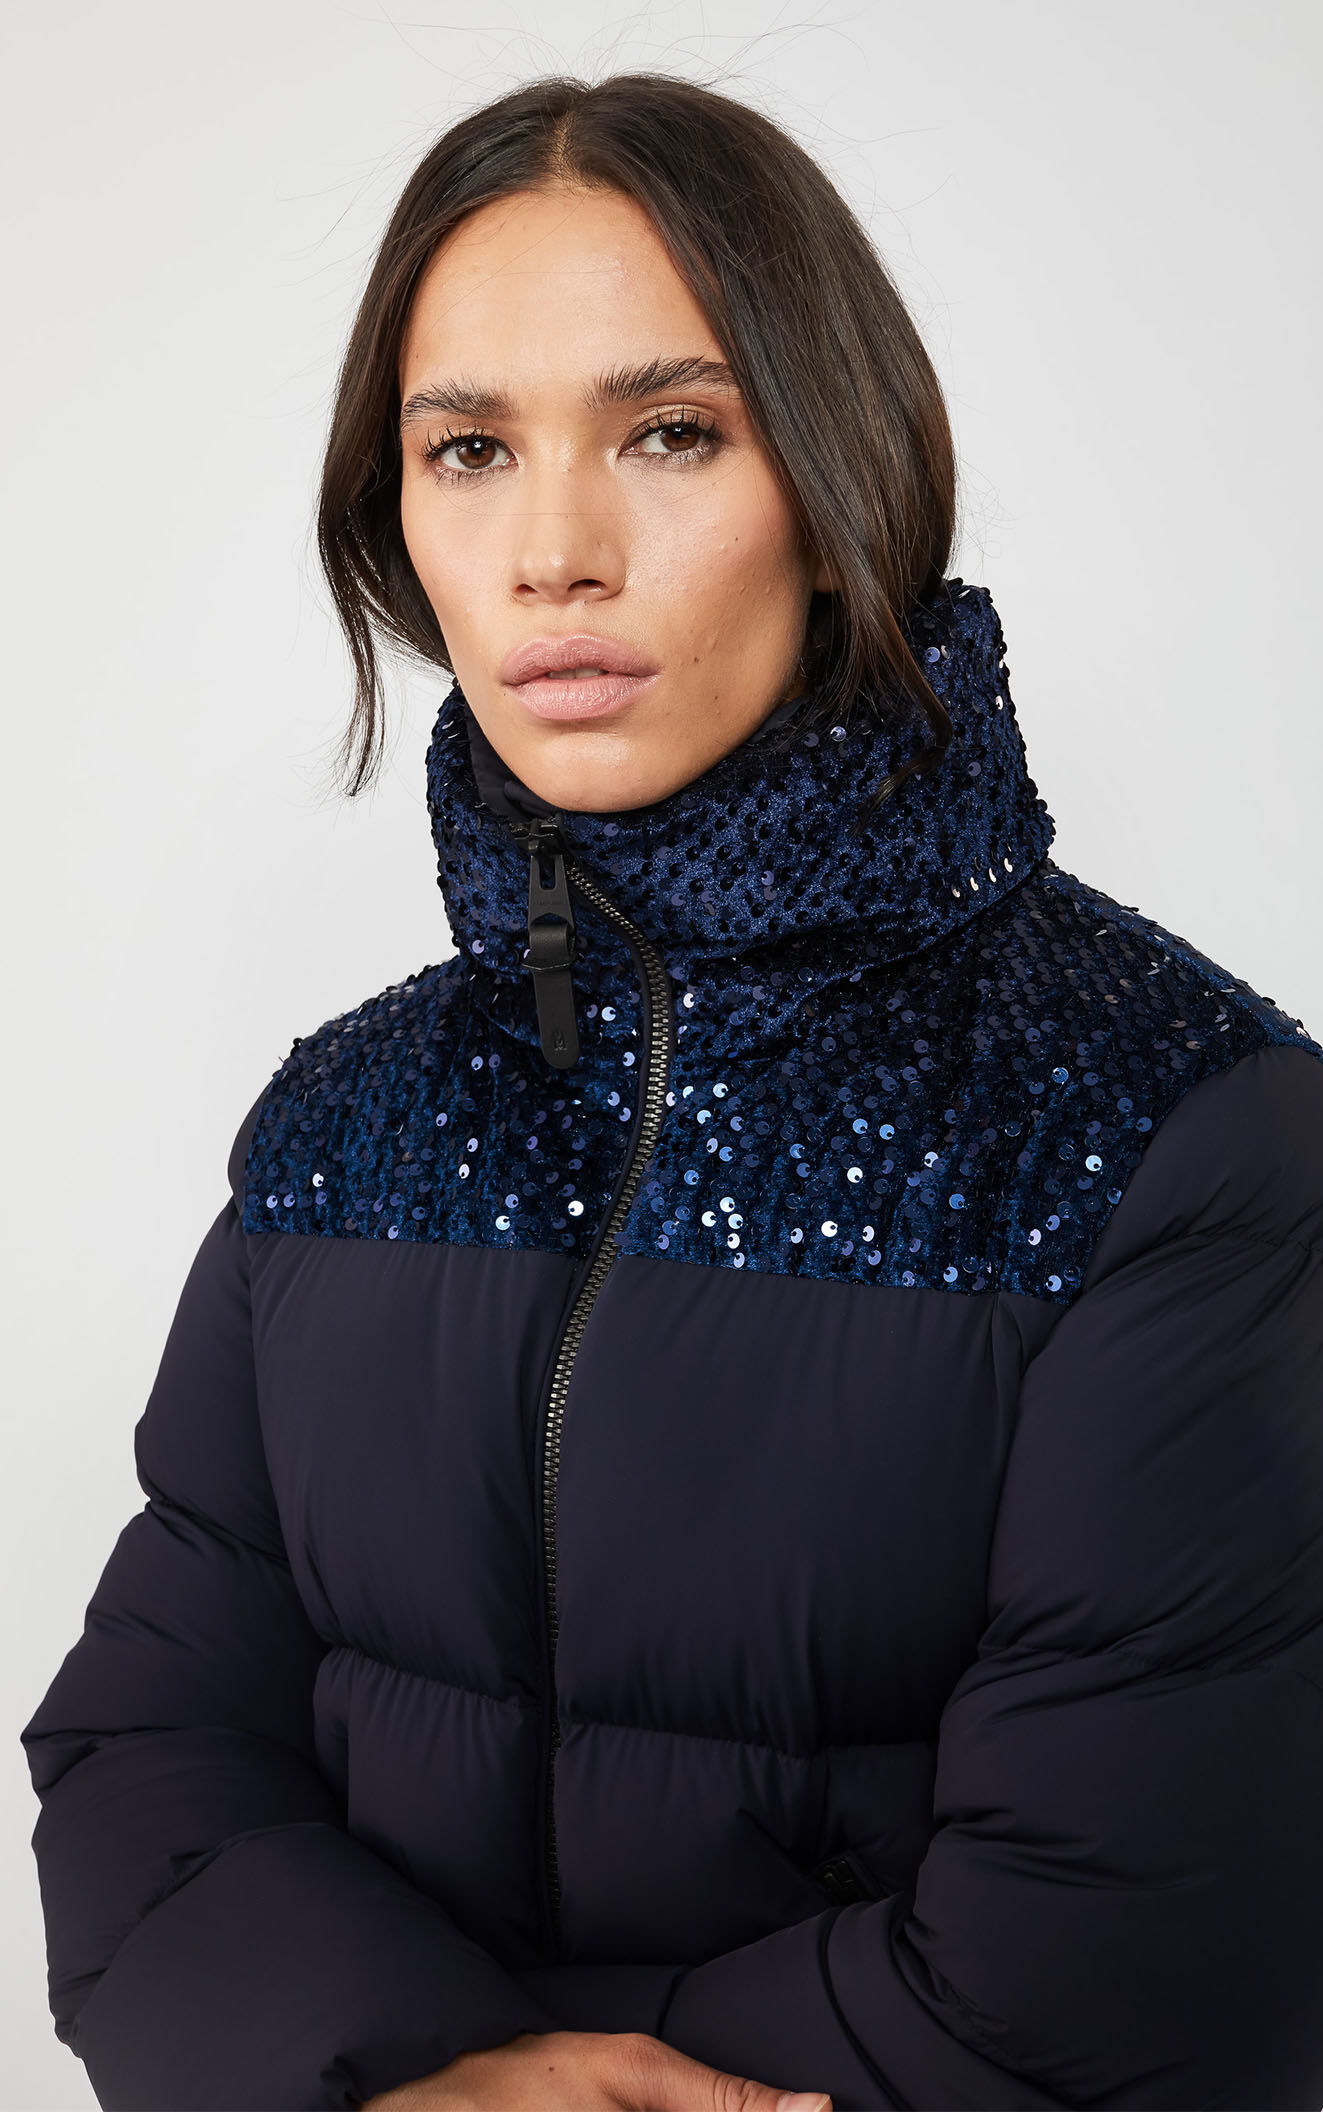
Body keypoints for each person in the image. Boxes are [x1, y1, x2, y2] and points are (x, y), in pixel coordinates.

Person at [20, 68, 1323, 2112]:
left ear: (842, 478)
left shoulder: (1181, 1130)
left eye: (671, 433)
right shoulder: (339, 1130)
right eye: (468, 450)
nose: (554, 552)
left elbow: (1124, 1959)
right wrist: (406, 2079)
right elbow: (147, 1751)